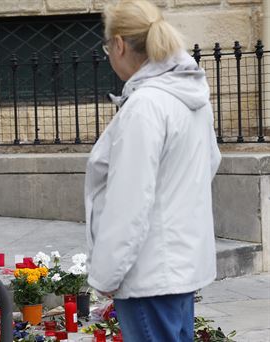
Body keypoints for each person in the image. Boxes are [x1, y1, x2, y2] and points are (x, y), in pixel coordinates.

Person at [84, 0, 221, 341]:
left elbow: (128, 202)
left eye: (106, 47)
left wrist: (106, 277)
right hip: (178, 267)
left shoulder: (145, 107)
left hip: (148, 275)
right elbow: (208, 164)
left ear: (118, 45)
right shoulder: (189, 97)